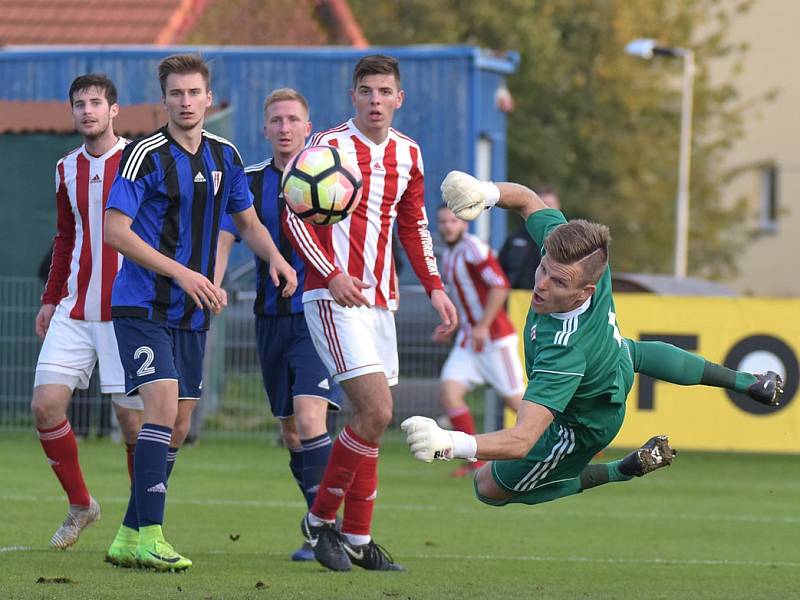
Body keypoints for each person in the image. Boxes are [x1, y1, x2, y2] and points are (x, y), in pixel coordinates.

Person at [402, 171, 783, 509]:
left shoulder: (562, 351)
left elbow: (521, 440)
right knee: (630, 350)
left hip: (583, 422)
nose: (541, 284)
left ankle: (620, 469)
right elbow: (529, 200)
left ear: (586, 292)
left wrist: (452, 443)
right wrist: (485, 193)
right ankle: (750, 382)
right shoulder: (580, 256)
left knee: (487, 488)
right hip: (611, 357)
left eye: (558, 282)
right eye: (543, 268)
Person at [103, 54, 297, 572]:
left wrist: (276, 258)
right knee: (162, 408)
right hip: (142, 303)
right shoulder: (144, 155)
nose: (186, 102)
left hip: (191, 312)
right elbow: (116, 231)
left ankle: (126, 534)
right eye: (176, 94)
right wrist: (185, 274)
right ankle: (151, 536)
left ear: (208, 99)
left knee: (180, 423)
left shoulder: (225, 156)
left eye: (194, 93)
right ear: (163, 100)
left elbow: (250, 223)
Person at [284, 54, 458, 572]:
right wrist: (332, 274)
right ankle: (319, 524)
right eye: (367, 91)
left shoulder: (409, 153)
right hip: (333, 298)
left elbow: (414, 226)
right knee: (377, 411)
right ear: (353, 96)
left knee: (371, 420)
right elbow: (295, 217)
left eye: (385, 92)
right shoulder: (326, 147)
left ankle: (358, 538)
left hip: (382, 300)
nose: (376, 100)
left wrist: (435, 286)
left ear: (398, 98)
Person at [215, 88, 341, 562]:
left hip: (317, 316)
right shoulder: (246, 182)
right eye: (276, 120)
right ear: (265, 129)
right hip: (269, 319)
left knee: (311, 418)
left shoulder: (333, 179)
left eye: (293, 119)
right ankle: (321, 522)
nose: (285, 127)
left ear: (308, 127)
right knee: (291, 431)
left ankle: (327, 530)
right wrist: (214, 284)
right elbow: (227, 239)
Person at [32, 74, 144, 550]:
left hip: (127, 313)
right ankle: (82, 504)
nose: (88, 111)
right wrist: (50, 299)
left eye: (96, 103)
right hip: (74, 312)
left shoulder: (142, 162)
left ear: (114, 110)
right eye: (79, 104)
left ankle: (142, 524)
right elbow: (65, 237)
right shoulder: (64, 169)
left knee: (133, 426)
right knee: (44, 406)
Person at [435, 205, 523, 478]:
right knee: (450, 390)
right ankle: (475, 458)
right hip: (469, 340)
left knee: (517, 404)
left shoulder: (474, 249)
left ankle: (574, 440)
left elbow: (500, 285)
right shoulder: (448, 255)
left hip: (495, 339)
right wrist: (453, 326)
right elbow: (466, 299)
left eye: (453, 221)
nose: (448, 226)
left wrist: (483, 325)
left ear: (464, 225)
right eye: (443, 222)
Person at [497, 186, 560, 290]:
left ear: (558, 207)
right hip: (514, 302)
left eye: (549, 205)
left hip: (548, 300)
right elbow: (500, 271)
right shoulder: (516, 237)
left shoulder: (564, 241)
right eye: (542, 205)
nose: (546, 210)